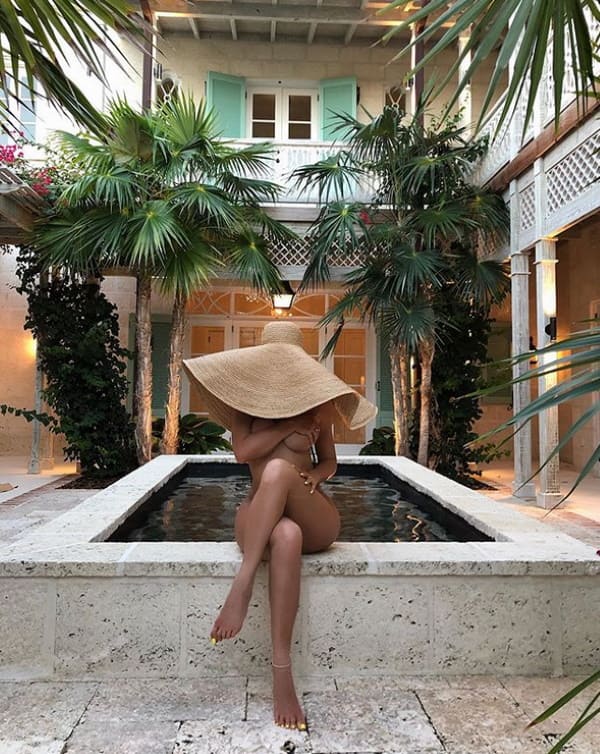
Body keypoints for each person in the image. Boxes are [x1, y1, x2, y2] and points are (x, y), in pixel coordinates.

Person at [183, 321, 376, 731]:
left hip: (312, 510)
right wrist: (288, 428)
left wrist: (317, 476)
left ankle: (243, 582)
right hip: (260, 515)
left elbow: (329, 461)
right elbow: (242, 452)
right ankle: (282, 672)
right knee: (286, 535)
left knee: (276, 471)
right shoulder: (245, 403)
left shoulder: (319, 405)